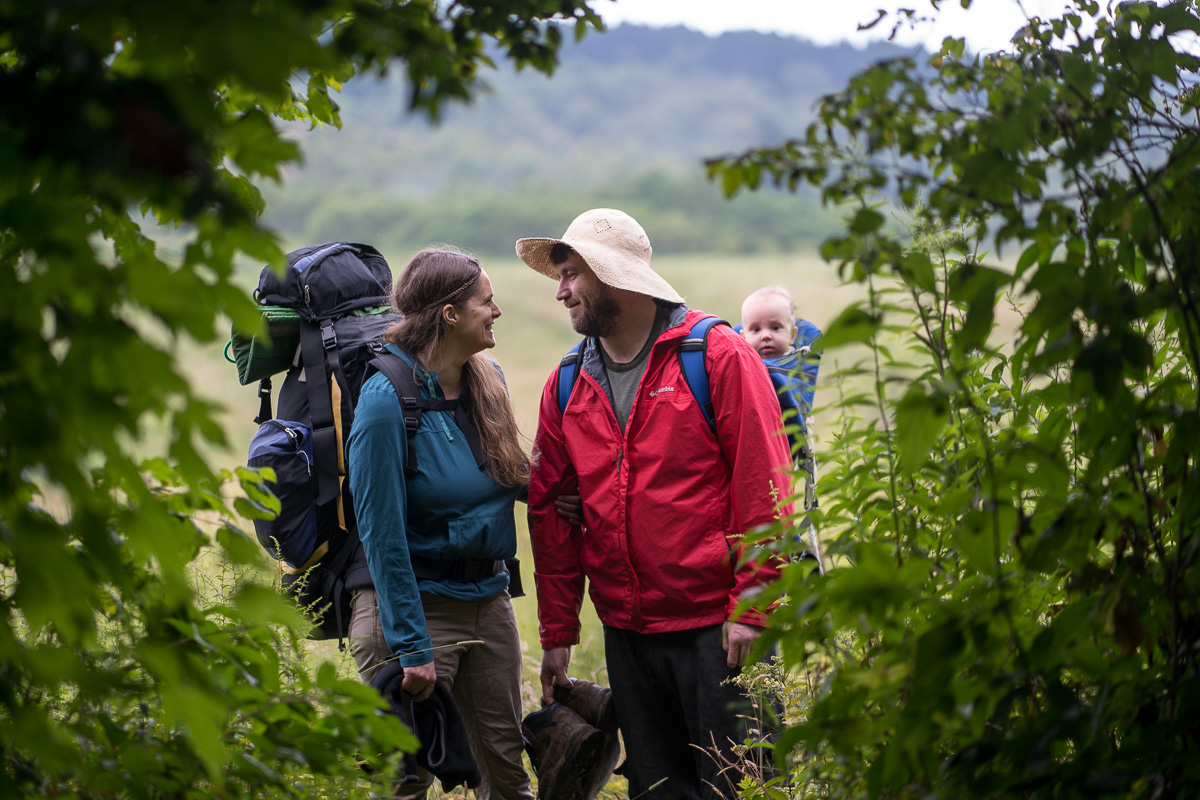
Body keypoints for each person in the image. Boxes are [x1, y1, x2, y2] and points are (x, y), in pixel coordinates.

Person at [516, 209, 794, 800]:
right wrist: (558, 632)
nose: (561, 290)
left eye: (570, 274)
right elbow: (550, 516)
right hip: (628, 632)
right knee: (658, 790)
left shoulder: (715, 354)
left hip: (720, 630)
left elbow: (765, 483)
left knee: (742, 788)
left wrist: (754, 602)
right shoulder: (566, 383)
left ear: (612, 275)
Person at [346, 248, 532, 800]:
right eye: (486, 301)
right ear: (450, 314)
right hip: (411, 611)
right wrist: (411, 645)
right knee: (404, 785)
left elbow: (504, 471)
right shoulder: (385, 401)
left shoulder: (486, 379)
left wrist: (561, 492)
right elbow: (380, 535)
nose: (496, 311)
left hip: (487, 600)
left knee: (507, 775)